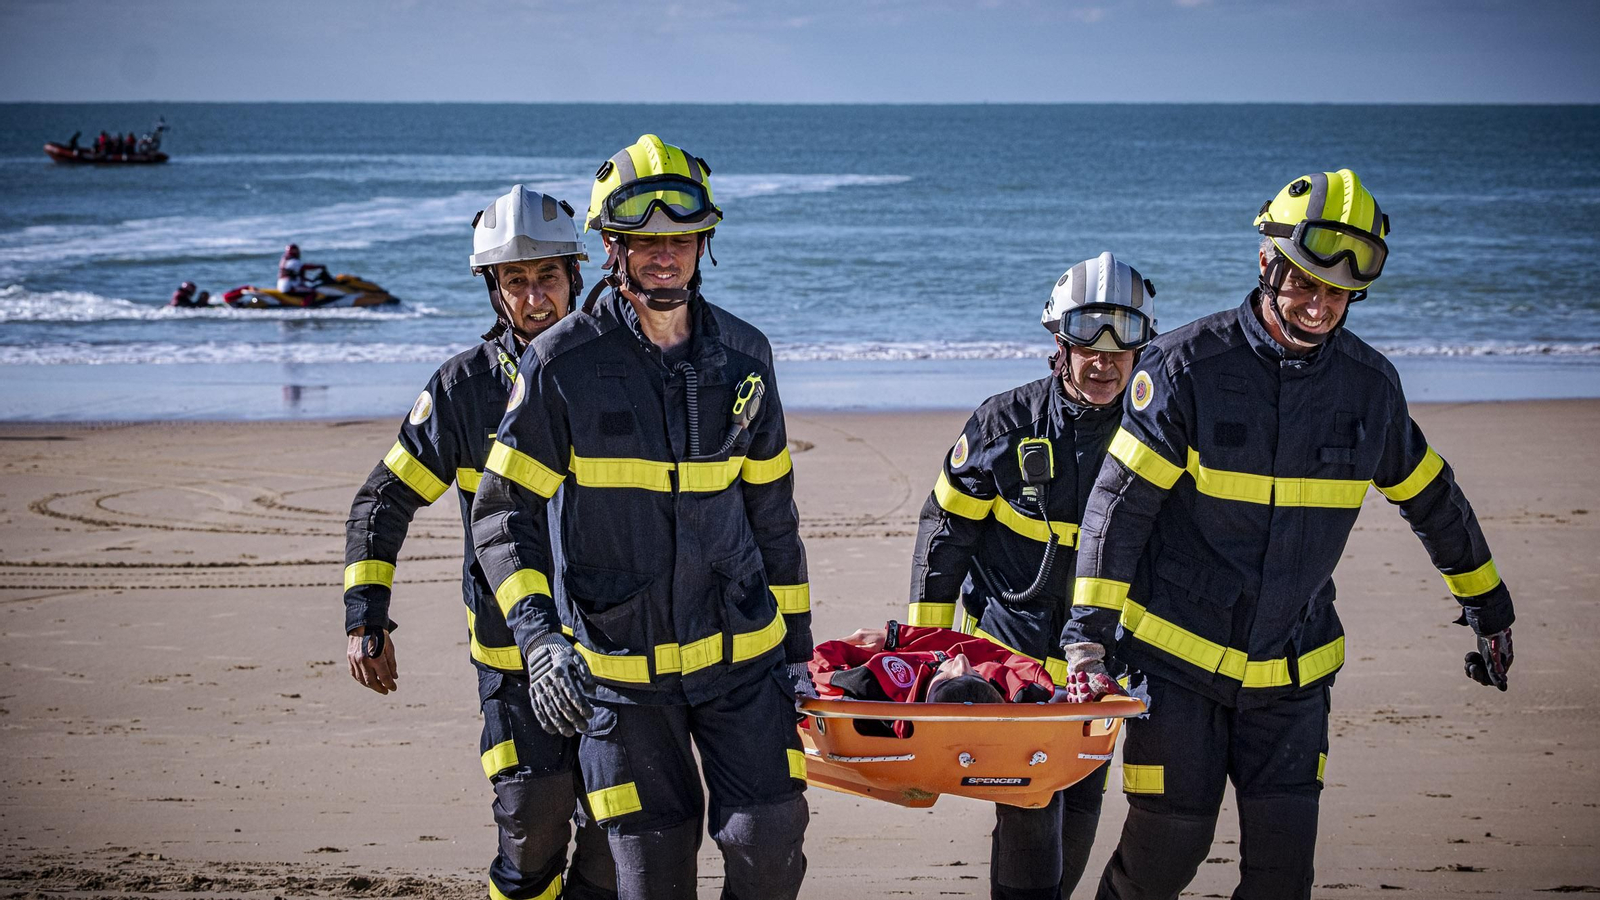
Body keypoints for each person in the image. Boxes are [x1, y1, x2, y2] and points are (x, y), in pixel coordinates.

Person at [1060, 169, 1516, 900]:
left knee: (1281, 881)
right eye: (1304, 284)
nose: (1318, 305)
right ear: (1268, 265)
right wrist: (1087, 637)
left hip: (1294, 676)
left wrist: (1489, 608)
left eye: (1335, 293)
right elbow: (1118, 510)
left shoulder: (1370, 389)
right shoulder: (1183, 369)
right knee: (1164, 858)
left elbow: (1433, 499)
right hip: (1177, 672)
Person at [471, 135, 812, 900]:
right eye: (645, 240)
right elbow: (500, 516)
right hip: (620, 685)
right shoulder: (561, 364)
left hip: (743, 665)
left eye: (681, 238)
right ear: (611, 247)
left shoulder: (746, 358)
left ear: (704, 242)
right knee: (653, 877)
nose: (666, 255)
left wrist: (797, 652)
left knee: (770, 844)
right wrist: (539, 642)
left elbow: (774, 518)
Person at [342, 186, 616, 900]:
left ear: (574, 278)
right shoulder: (461, 389)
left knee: (619, 844)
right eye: (514, 282)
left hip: (618, 654)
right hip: (510, 656)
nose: (533, 299)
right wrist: (365, 615)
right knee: (531, 835)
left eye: (546, 278)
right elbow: (383, 499)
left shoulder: (621, 373)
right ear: (493, 289)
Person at [908, 251, 1157, 900]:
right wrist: (924, 652)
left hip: (1100, 668)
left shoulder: (1159, 433)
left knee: (1078, 809)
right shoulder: (1003, 424)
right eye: (1086, 337)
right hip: (1010, 665)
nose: (1103, 358)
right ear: (1058, 339)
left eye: (1123, 336)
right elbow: (944, 535)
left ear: (1143, 345)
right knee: (1028, 816)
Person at [811, 622, 1055, 727]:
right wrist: (895, 637)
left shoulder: (870, 686)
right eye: (974, 673)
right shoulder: (1011, 692)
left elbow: (817, 665)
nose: (961, 661)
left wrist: (896, 640)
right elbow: (997, 657)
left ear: (934, 691)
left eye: (956, 674)